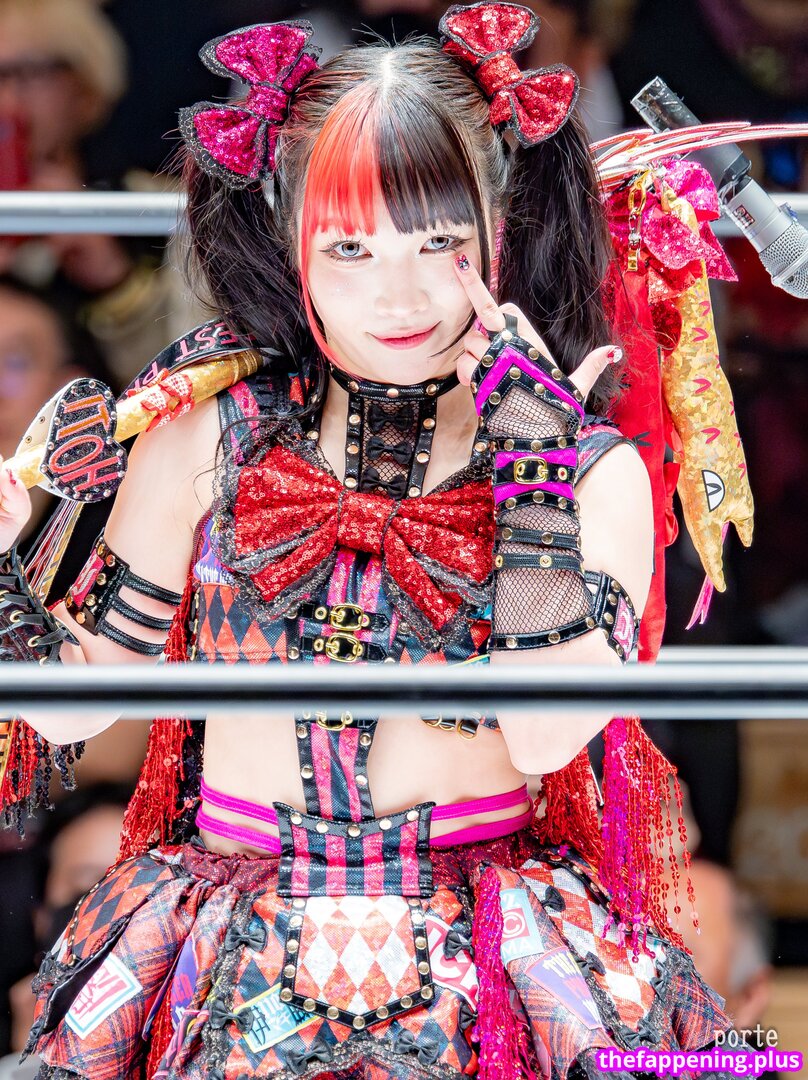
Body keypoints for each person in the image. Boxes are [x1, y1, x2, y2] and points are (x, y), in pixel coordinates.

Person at [0, 4, 741, 1078]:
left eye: (439, 244)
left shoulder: (590, 466)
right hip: (226, 932)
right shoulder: (205, 428)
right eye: (349, 248)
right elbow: (78, 703)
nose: (398, 294)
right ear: (288, 239)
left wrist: (532, 476)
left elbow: (546, 738)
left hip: (487, 946)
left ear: (502, 226)